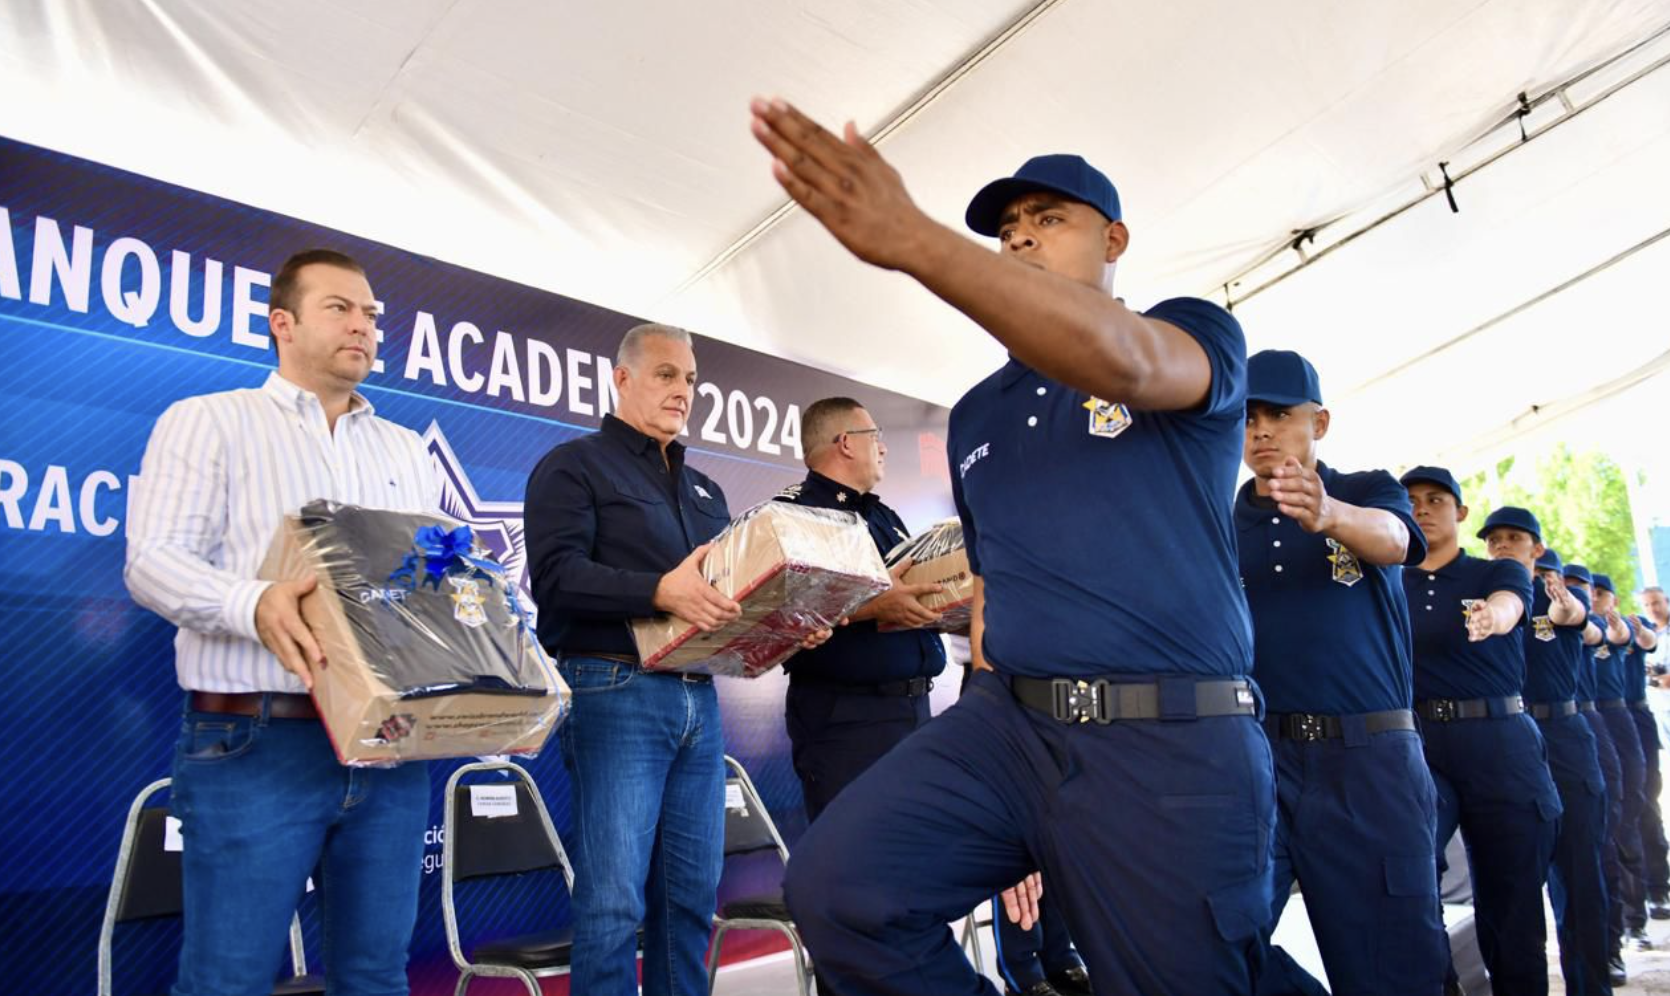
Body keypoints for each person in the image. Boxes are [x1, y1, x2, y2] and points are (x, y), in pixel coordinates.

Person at [752, 101, 1273, 995]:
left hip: (1166, 732)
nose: (1020, 237)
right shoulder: (979, 414)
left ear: (1114, 239)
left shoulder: (1190, 331)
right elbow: (992, 586)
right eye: (1007, 229)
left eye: (1047, 218)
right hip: (1009, 726)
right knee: (840, 891)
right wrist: (1012, 805)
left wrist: (914, 240)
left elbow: (1129, 363)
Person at [125, 248, 439, 995]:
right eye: (339, 308)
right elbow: (152, 563)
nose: (362, 325)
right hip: (257, 740)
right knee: (227, 980)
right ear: (282, 323)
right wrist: (253, 601)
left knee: (376, 978)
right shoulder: (209, 422)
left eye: (371, 315)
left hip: (389, 750)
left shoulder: (405, 450)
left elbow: (431, 587)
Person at [524, 323, 831, 996]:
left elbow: (725, 602)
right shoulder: (572, 466)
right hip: (614, 691)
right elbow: (553, 579)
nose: (683, 390)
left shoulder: (705, 491)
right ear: (623, 378)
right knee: (612, 905)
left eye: (690, 379)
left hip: (699, 698)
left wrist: (785, 624)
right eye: (666, 374)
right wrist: (657, 589)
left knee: (690, 899)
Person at [1235, 350, 1445, 996]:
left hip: (1368, 762)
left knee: (1391, 969)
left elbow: (1396, 539)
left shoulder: (1365, 490)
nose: (1261, 429)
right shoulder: (1220, 521)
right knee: (1210, 945)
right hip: (1258, 763)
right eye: (1248, 417)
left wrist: (1329, 516)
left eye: (1278, 414)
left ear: (1318, 422)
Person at [1399, 469, 1560, 996]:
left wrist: (1493, 614)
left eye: (1436, 499)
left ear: (1461, 513)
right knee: (1409, 884)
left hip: (1498, 742)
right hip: (1418, 748)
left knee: (1510, 907)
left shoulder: (1495, 573)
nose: (1422, 509)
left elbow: (1512, 603)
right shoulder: (1385, 580)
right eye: (1412, 500)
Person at [774, 397, 947, 824]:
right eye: (876, 438)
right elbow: (782, 619)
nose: (884, 448)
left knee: (913, 863)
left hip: (913, 713)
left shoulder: (883, 514)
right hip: (849, 724)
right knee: (853, 869)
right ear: (847, 443)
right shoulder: (795, 515)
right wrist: (874, 607)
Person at [1481, 522, 1610, 995]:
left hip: (1564, 737)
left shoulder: (1553, 596)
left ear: (1537, 549)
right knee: (1510, 884)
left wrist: (1566, 607)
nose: (1501, 548)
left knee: (1578, 875)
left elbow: (1585, 623)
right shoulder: (1477, 593)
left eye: (1512, 540)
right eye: (1493, 541)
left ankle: (1590, 984)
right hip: (1504, 740)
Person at [1567, 563, 1630, 985]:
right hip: (1522, 732)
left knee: (1599, 844)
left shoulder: (1582, 618)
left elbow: (1611, 635)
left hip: (1590, 726)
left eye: (1578, 588)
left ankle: (1610, 947)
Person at [1592, 574, 1652, 952]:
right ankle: (1611, 934)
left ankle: (1638, 915)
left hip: (1621, 719)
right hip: (1578, 723)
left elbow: (1641, 640)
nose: (1594, 598)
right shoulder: (1559, 622)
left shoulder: (1617, 627)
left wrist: (1620, 627)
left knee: (1629, 815)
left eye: (1599, 593)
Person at [1621, 591, 1668, 920]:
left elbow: (1648, 640)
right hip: (1598, 723)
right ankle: (1631, 907)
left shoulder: (1633, 630)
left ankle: (1658, 889)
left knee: (1646, 804)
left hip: (1638, 720)